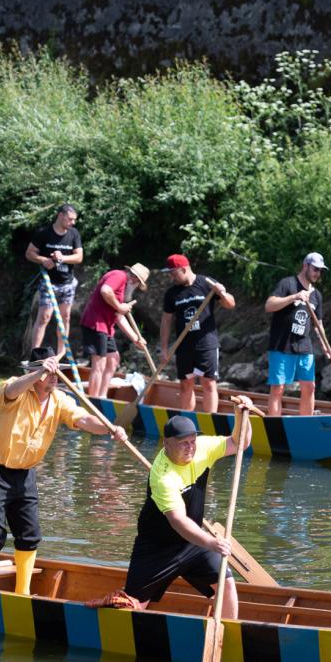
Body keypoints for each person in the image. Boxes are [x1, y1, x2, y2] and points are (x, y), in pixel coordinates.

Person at [0, 347, 129, 595]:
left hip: (24, 473)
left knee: (30, 534)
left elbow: (84, 420)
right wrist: (40, 370)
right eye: (49, 373)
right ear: (35, 372)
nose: (54, 378)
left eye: (56, 373)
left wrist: (110, 429)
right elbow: (12, 391)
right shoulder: (16, 388)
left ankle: (22, 592)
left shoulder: (60, 400)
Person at [122, 400, 254, 617]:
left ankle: (227, 635)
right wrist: (211, 542)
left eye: (192, 441)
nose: (190, 447)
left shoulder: (202, 448)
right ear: (166, 443)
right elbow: (178, 521)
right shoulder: (163, 476)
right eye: (183, 443)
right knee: (133, 606)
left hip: (191, 543)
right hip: (157, 548)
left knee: (226, 583)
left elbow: (239, 443)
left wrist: (240, 416)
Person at [160, 253, 236, 413]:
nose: (171, 277)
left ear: (183, 269)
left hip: (206, 343)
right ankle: (186, 420)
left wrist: (222, 293)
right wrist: (164, 349)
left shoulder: (206, 283)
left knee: (208, 382)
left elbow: (230, 304)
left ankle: (210, 420)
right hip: (184, 346)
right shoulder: (172, 293)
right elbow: (166, 321)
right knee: (185, 384)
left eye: (173, 273)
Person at [263, 251, 331, 416]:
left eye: (320, 270)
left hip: (303, 345)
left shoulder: (316, 295)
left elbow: (319, 325)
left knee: (310, 387)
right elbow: (269, 305)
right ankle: (275, 425)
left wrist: (327, 347)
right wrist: (294, 297)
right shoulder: (287, 284)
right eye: (315, 269)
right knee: (278, 388)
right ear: (305, 266)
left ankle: (306, 424)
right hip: (282, 345)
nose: (317, 273)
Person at [79, 262, 151, 398]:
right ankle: (94, 400)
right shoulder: (119, 276)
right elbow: (105, 290)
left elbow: (119, 317)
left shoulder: (123, 288)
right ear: (132, 276)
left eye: (138, 282)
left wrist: (135, 338)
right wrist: (119, 306)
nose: (135, 283)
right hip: (96, 323)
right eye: (135, 279)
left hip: (106, 327)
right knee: (99, 363)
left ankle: (102, 396)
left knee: (113, 360)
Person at [25, 204, 84, 355]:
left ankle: (61, 354)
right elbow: (30, 253)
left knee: (65, 317)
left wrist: (62, 258)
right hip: (49, 282)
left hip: (67, 283)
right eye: (70, 219)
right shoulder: (44, 233)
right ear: (60, 216)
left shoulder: (74, 234)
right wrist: (44, 260)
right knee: (44, 317)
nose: (73, 223)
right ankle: (35, 354)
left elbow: (79, 257)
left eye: (74, 220)